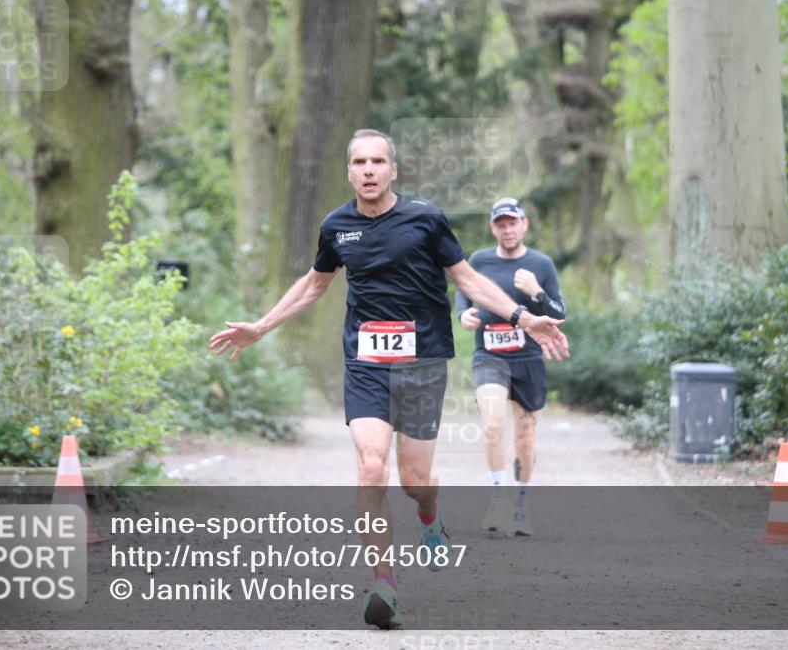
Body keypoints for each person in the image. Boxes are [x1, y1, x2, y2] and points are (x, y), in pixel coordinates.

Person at [208, 130, 569, 630]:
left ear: (393, 170)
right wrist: (261, 327)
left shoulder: (425, 218)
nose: (370, 170)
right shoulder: (336, 226)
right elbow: (315, 285)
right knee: (371, 465)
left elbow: (466, 278)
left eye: (379, 161)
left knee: (415, 481)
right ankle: (385, 584)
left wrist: (520, 317)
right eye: (360, 162)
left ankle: (430, 516)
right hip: (366, 364)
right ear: (349, 171)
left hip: (422, 365)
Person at [455, 197, 566, 537]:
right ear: (493, 228)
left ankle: (520, 503)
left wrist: (536, 293)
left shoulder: (541, 263)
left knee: (525, 440)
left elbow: (559, 312)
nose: (507, 229)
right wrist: (463, 313)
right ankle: (499, 495)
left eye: (512, 223)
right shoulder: (479, 260)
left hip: (529, 359)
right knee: (492, 424)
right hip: (489, 355)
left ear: (524, 224)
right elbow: (464, 291)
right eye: (500, 224)